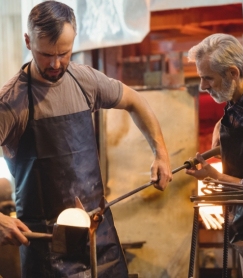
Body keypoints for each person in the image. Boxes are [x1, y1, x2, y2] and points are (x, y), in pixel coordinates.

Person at [0, 1, 172, 277]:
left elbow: (135, 101)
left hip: (97, 234)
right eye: (46, 54)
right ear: (28, 42)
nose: (56, 64)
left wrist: (160, 153)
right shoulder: (11, 103)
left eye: (64, 53)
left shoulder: (84, 81)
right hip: (46, 245)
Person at [185, 33, 243, 278]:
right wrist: (221, 128)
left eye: (208, 78)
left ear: (233, 73)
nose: (203, 86)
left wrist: (217, 177)